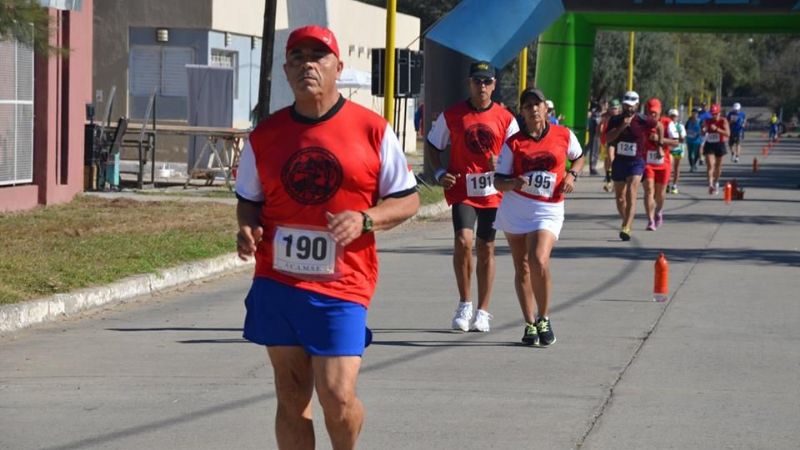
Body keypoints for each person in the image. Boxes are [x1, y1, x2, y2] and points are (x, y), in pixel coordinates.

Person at [235, 25, 419, 450]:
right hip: (277, 280)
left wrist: (366, 219)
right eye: (297, 58)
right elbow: (249, 201)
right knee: (291, 396)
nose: (307, 65)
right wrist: (247, 227)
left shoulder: (372, 130)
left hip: (343, 283)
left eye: (317, 56)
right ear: (286, 70)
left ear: (338, 66)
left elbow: (407, 201)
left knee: (337, 397)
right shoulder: (265, 136)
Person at [426, 61, 519, 332]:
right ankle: (465, 302)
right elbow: (433, 145)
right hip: (463, 188)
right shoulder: (452, 115)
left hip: (492, 192)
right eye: (477, 81)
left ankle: (483, 310)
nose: (482, 87)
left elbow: (518, 153)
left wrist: (501, 164)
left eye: (487, 82)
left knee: (486, 247)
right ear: (469, 84)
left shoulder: (505, 118)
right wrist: (441, 170)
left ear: (494, 85)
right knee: (463, 241)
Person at [493, 87, 584, 347]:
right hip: (517, 207)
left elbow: (577, 158)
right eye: (527, 105)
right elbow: (498, 181)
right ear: (521, 112)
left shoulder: (564, 135)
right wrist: (513, 183)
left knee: (538, 260)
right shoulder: (514, 143)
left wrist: (571, 175)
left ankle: (544, 317)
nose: (533, 109)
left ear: (546, 108)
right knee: (521, 266)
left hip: (549, 207)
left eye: (537, 104)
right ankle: (529, 322)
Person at [605, 91, 658, 241]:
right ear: (622, 105)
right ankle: (625, 220)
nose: (628, 108)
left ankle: (627, 227)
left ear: (637, 105)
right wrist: (622, 127)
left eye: (631, 106)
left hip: (637, 161)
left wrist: (658, 141)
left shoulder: (644, 120)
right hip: (620, 162)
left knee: (631, 191)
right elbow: (607, 138)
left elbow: (658, 125)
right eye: (626, 105)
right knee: (620, 198)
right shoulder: (615, 120)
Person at [641, 98, 678, 231]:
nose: (653, 115)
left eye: (655, 113)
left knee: (660, 193)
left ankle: (658, 211)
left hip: (663, 162)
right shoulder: (642, 123)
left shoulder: (668, 123)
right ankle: (650, 220)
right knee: (649, 190)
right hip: (647, 162)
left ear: (660, 111)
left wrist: (660, 139)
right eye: (651, 112)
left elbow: (676, 142)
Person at [702, 103, 730, 194]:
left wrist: (717, 129)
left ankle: (716, 182)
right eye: (712, 114)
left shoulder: (723, 121)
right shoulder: (707, 121)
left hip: (719, 144)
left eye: (715, 114)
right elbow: (703, 131)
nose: (714, 116)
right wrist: (703, 130)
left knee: (718, 166)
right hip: (709, 144)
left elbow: (728, 134)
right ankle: (710, 185)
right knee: (710, 165)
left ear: (719, 113)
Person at [600, 99, 622, 192]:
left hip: (620, 141)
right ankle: (609, 181)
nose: (614, 110)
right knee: (609, 158)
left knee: (616, 161)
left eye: (615, 108)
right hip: (609, 141)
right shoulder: (606, 117)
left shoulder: (622, 117)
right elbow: (600, 130)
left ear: (619, 109)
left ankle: (616, 180)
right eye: (612, 108)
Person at [667, 108, 687, 194]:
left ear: (677, 117)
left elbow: (682, 138)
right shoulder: (666, 125)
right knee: (669, 167)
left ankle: (674, 185)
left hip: (678, 147)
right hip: (668, 148)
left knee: (676, 167)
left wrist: (677, 134)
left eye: (675, 116)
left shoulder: (680, 126)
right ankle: (667, 184)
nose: (673, 118)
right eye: (672, 116)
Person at [685, 107, 704, 173]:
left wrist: (702, 131)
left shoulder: (700, 121)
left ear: (697, 114)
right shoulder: (688, 121)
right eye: (693, 113)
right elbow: (685, 129)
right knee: (690, 153)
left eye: (696, 113)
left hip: (697, 140)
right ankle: (692, 166)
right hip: (689, 139)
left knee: (697, 154)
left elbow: (703, 129)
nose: (694, 114)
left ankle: (694, 163)